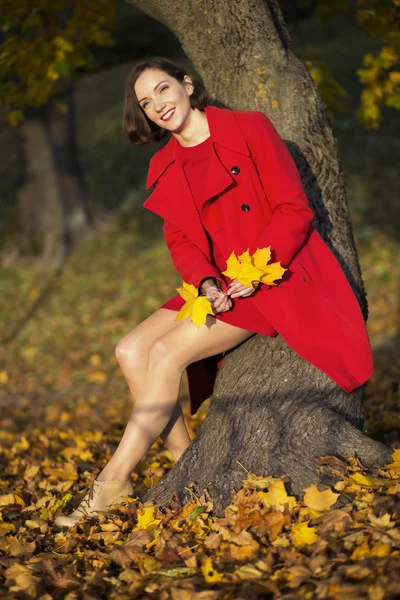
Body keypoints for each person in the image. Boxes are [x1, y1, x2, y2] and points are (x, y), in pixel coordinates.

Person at [55, 56, 374, 528]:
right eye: (146, 102)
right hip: (217, 281)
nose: (158, 105)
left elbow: (293, 208)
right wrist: (206, 281)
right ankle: (186, 460)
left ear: (187, 84)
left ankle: (112, 481)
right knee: (129, 349)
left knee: (165, 353)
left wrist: (261, 267)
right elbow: (182, 241)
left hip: (271, 279)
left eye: (163, 90)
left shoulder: (248, 129)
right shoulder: (164, 164)